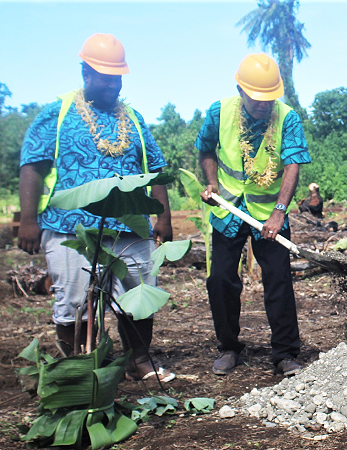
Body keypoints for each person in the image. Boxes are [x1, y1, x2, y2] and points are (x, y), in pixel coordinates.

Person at [18, 33, 175, 382]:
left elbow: (155, 170)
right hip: (71, 227)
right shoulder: (56, 114)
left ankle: (140, 360)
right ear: (86, 73)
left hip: (130, 229)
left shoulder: (133, 119)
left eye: (117, 78)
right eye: (106, 78)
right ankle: (81, 367)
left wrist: (162, 217)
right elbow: (32, 166)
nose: (113, 86)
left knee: (139, 296)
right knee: (75, 301)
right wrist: (28, 221)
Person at [196, 53, 311, 377]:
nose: (264, 104)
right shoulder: (219, 112)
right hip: (229, 207)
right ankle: (229, 347)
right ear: (240, 90)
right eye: (257, 98)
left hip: (269, 212)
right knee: (220, 279)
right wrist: (211, 182)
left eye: (270, 98)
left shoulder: (287, 118)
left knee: (278, 279)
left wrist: (278, 212)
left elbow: (293, 164)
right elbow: (205, 149)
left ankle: (285, 354)